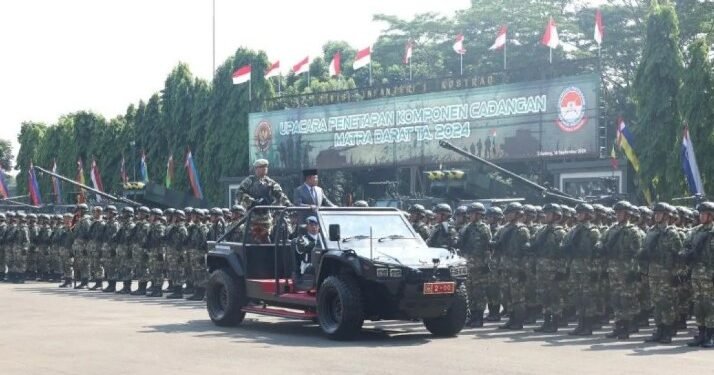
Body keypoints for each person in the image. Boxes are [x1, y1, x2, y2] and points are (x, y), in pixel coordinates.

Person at [602, 201, 642, 340]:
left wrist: (634, 271)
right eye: (617, 212)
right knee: (615, 299)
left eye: (621, 212)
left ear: (628, 214)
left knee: (626, 300)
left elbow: (638, 254)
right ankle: (618, 326)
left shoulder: (633, 231)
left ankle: (627, 327)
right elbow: (602, 243)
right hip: (613, 268)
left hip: (626, 269)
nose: (618, 215)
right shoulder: (611, 229)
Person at [533, 203, 567, 333]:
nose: (545, 216)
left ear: (556, 216)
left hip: (553, 269)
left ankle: (555, 323)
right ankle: (546, 322)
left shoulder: (560, 232)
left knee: (555, 297)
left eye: (549, 213)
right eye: (545, 213)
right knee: (544, 296)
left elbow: (563, 254)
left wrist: (561, 270)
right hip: (542, 268)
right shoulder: (541, 231)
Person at [458, 202, 491, 327]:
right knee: (469, 291)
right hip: (468, 264)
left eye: (472, 213)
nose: (469, 216)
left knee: (479, 292)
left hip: (479, 265)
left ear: (479, 215)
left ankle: (479, 317)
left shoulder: (484, 228)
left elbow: (488, 248)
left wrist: (486, 264)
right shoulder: (467, 228)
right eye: (469, 213)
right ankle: (472, 315)